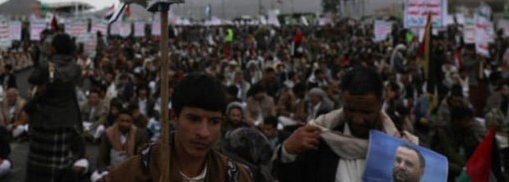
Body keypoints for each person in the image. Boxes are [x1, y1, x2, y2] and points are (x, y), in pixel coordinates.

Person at [274, 66, 417, 182]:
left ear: (380, 104)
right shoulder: (319, 140)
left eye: (366, 112)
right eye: (351, 110)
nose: (357, 119)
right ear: (343, 101)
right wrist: (287, 152)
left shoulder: (401, 146)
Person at [102, 72, 252, 181]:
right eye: (194, 119)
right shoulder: (135, 173)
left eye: (214, 122)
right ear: (174, 117)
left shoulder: (233, 176)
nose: (204, 133)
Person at [25, 32, 89, 181]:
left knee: (38, 163)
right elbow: (77, 82)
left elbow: (33, 78)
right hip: (65, 119)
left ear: (53, 48)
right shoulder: (76, 67)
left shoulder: (51, 66)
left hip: (44, 118)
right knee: (59, 164)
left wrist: (46, 59)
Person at [96, 107, 148, 174]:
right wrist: (104, 170)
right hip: (111, 169)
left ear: (132, 122)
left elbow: (142, 156)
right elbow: (102, 156)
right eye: (122, 121)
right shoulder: (108, 133)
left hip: (132, 169)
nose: (124, 124)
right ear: (117, 120)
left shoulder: (138, 134)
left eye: (127, 121)